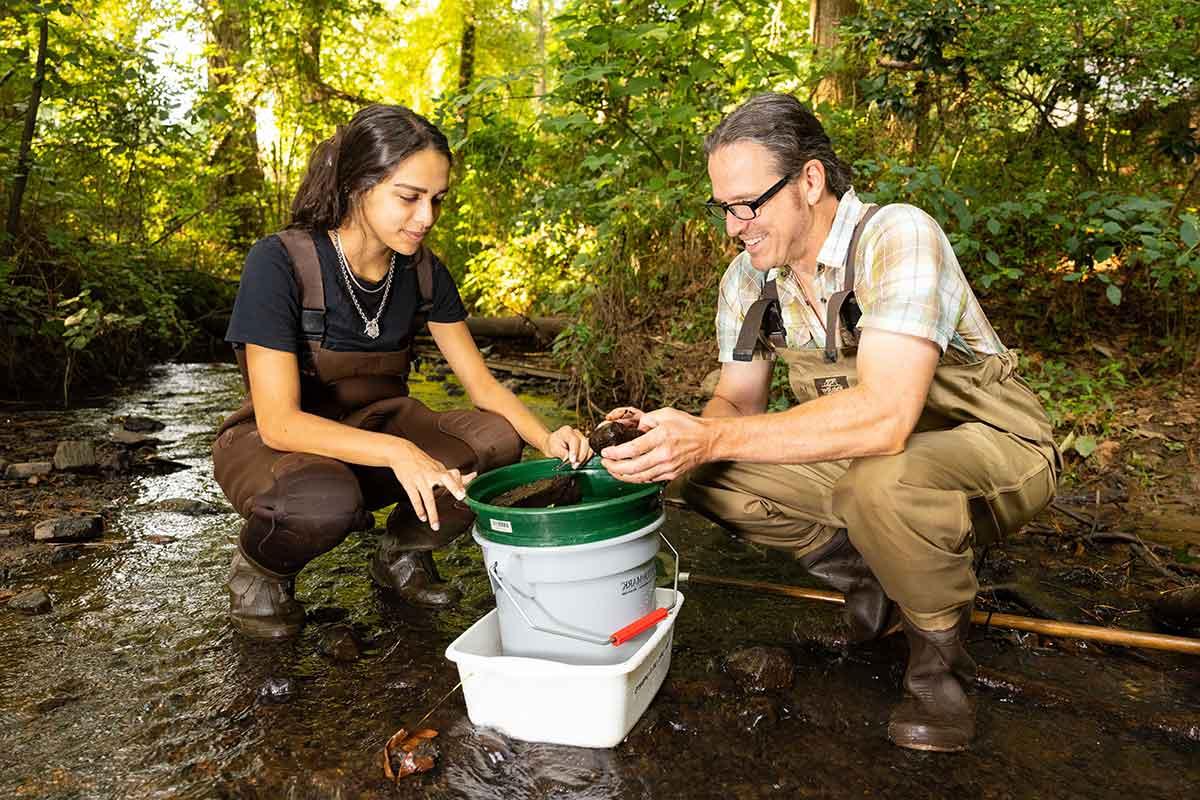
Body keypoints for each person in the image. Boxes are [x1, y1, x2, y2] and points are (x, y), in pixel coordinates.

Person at [600, 93, 1060, 752]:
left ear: (810, 181)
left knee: (882, 484)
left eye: (747, 205)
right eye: (723, 208)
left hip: (994, 448)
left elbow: (885, 415)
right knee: (701, 474)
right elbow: (736, 402)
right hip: (875, 459)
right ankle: (879, 581)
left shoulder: (897, 235)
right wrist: (676, 439)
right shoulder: (747, 282)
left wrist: (711, 436)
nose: (734, 227)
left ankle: (939, 673)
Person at [213, 104, 591, 640]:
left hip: (378, 430)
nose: (426, 218)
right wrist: (401, 453)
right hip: (278, 448)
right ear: (356, 185)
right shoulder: (279, 263)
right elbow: (278, 422)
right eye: (409, 197)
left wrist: (547, 437)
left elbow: (481, 385)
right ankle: (262, 573)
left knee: (497, 440)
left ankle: (402, 554)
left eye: (437, 200)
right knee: (323, 501)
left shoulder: (424, 271)